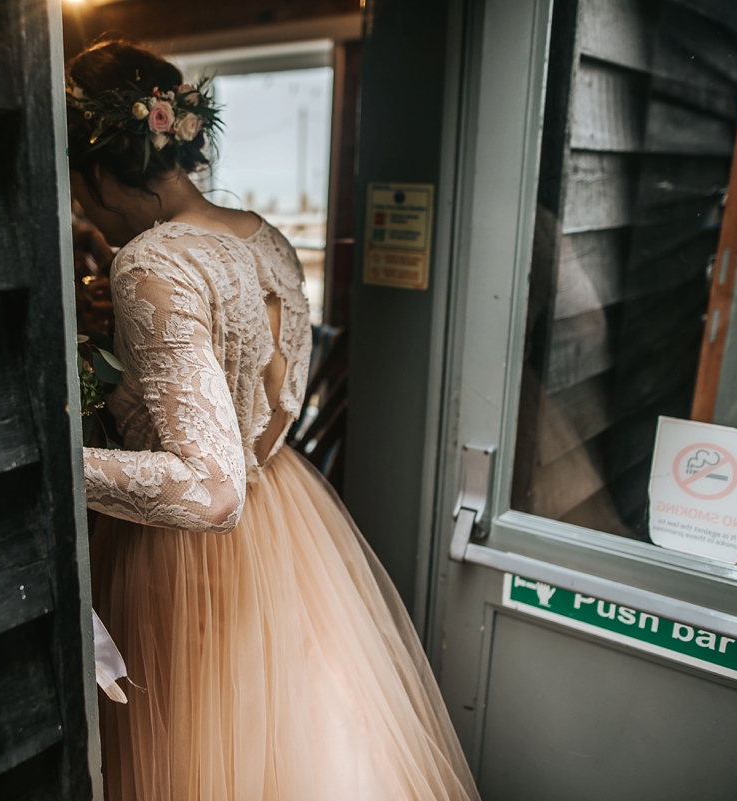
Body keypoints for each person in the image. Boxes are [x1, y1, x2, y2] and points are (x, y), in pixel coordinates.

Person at [67, 41, 479, 800]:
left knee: (188, 751)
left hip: (181, 552)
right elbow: (274, 398)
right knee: (294, 732)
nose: (79, 209)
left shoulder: (150, 263)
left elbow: (208, 488)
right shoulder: (263, 233)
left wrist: (55, 460)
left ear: (95, 170)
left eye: (76, 189)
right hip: (284, 510)